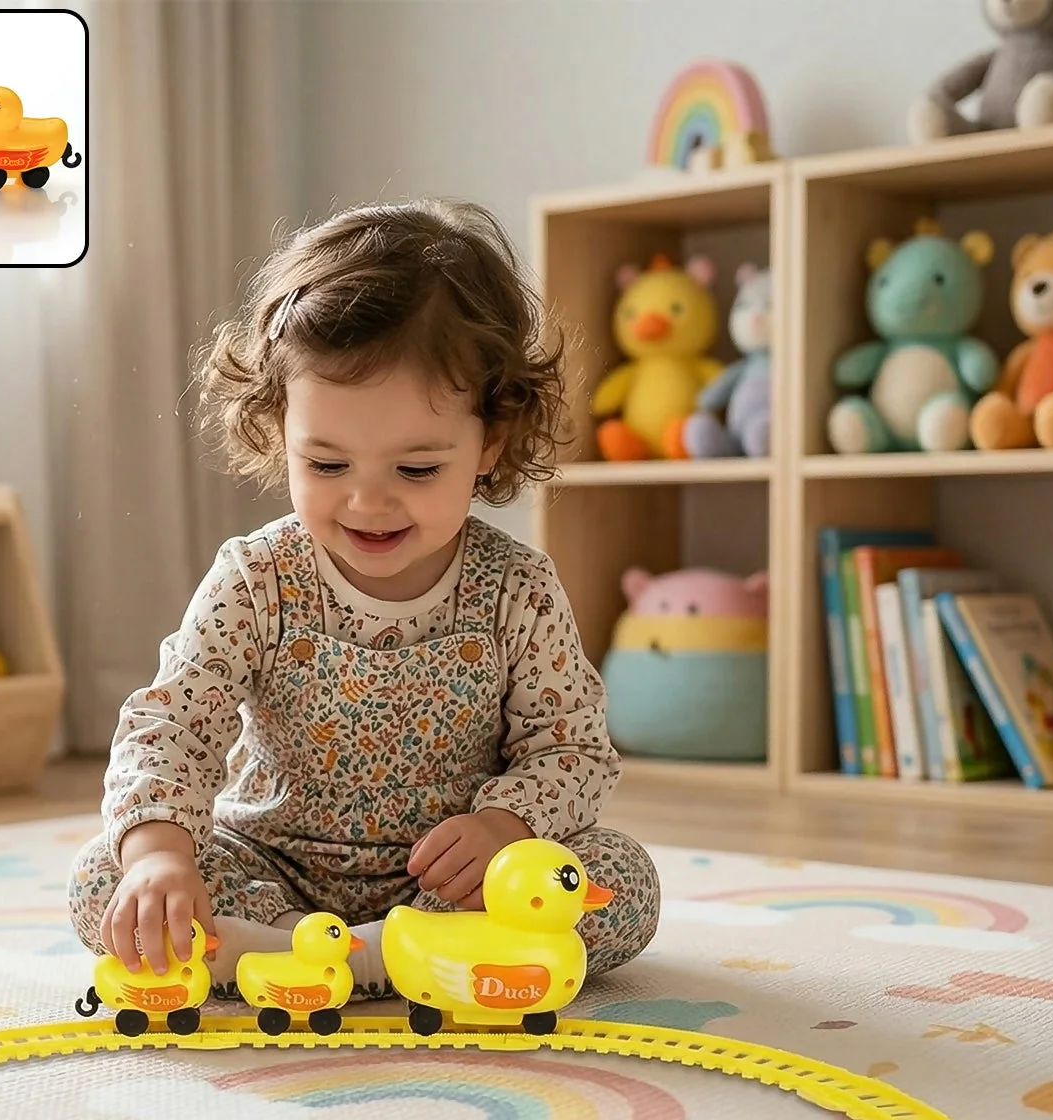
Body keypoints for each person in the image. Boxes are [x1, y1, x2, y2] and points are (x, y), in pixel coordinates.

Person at [69, 198, 660, 997]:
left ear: (489, 440)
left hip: (450, 886)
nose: (368, 503)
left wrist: (505, 826)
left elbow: (572, 749)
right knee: (105, 878)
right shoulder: (256, 578)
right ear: (279, 430)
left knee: (619, 882)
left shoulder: (517, 588)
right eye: (327, 465)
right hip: (270, 868)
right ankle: (348, 953)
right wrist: (160, 858)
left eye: (416, 469)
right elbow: (172, 723)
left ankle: (347, 957)